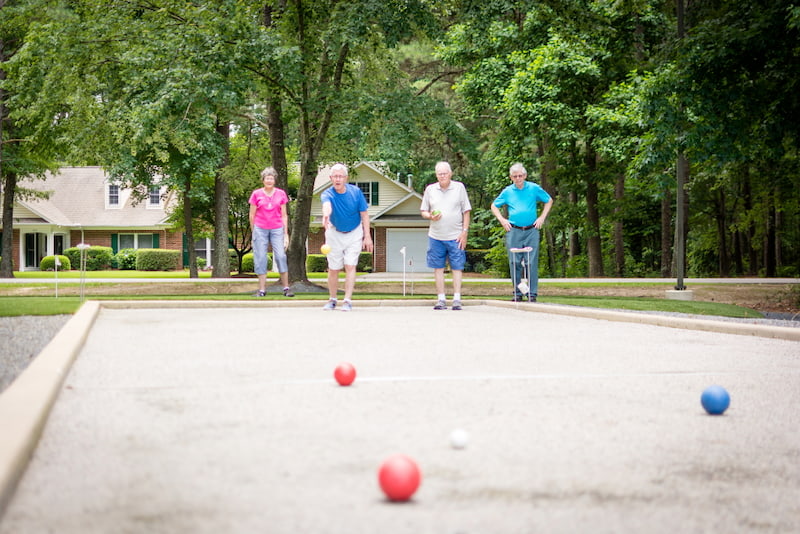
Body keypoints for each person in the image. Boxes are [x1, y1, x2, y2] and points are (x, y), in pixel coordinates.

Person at [490, 163, 554, 302]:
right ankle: (517, 293)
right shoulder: (508, 191)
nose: (518, 179)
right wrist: (502, 220)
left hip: (531, 230)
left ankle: (532, 293)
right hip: (514, 230)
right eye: (515, 176)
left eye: (520, 176)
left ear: (525, 176)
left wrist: (542, 217)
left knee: (531, 262)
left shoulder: (533, 188)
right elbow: (494, 206)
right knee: (515, 262)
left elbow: (549, 200)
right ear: (511, 177)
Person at [321, 163, 374, 311]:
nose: (338, 179)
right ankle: (332, 299)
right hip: (334, 232)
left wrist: (367, 236)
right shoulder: (327, 193)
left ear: (345, 178)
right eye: (335, 176)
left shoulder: (356, 192)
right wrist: (326, 215)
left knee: (350, 265)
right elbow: (327, 205)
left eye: (340, 176)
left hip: (354, 232)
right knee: (333, 268)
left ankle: (347, 300)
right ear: (331, 178)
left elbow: (364, 215)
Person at [420, 161, 472, 310]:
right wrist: (430, 216)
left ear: (450, 174)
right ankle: (441, 299)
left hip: (456, 235)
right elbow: (423, 211)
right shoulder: (430, 190)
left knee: (457, 267)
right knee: (438, 268)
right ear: (436, 175)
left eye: (445, 173)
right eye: (439, 174)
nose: (442, 176)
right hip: (436, 236)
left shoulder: (459, 187)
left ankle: (457, 298)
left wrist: (465, 232)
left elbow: (466, 211)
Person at [249, 167, 294, 297]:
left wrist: (286, 234)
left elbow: (284, 215)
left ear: (274, 180)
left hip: (277, 228)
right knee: (261, 258)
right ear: (263, 180)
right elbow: (252, 215)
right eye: (267, 178)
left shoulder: (281, 194)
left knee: (280, 256)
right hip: (260, 228)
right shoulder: (256, 194)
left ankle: (286, 288)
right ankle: (262, 290)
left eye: (271, 178)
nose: (269, 180)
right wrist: (254, 233)